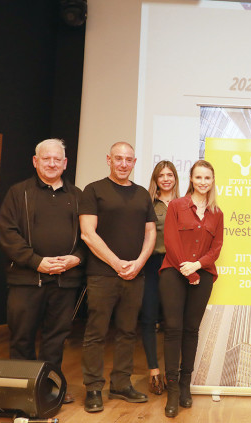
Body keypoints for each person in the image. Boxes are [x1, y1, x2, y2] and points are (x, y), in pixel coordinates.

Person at [0, 138, 84, 405]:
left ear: (65, 163)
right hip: (26, 279)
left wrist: (76, 259)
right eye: (46, 158)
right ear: (35, 161)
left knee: (56, 340)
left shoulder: (78, 196)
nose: (52, 163)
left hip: (64, 281)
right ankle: (20, 391)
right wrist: (36, 261)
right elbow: (8, 233)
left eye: (57, 159)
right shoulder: (18, 192)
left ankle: (50, 390)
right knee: (21, 337)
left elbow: (89, 236)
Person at [79, 142, 157, 413]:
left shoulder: (142, 194)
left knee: (127, 331)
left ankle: (121, 384)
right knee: (96, 332)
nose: (123, 164)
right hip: (102, 275)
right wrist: (116, 263)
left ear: (134, 162)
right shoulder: (93, 190)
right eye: (118, 159)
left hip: (135, 274)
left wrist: (138, 263)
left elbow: (151, 233)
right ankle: (93, 388)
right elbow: (88, 233)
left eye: (128, 160)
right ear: (109, 160)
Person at [159, 160, 223, 418]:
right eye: (199, 177)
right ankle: (172, 390)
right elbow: (171, 241)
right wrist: (189, 270)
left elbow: (216, 248)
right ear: (191, 179)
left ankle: (186, 385)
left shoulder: (217, 213)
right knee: (173, 329)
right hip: (174, 273)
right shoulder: (176, 205)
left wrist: (197, 266)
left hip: (202, 274)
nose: (203, 182)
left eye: (207, 178)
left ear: (212, 180)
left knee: (191, 330)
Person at [142, 161, 180, 396]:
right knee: (148, 317)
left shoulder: (184, 203)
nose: (166, 179)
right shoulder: (147, 204)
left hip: (175, 266)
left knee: (173, 322)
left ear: (175, 178)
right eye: (161, 175)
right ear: (155, 179)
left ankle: (170, 372)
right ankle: (153, 371)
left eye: (170, 175)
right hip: (152, 264)